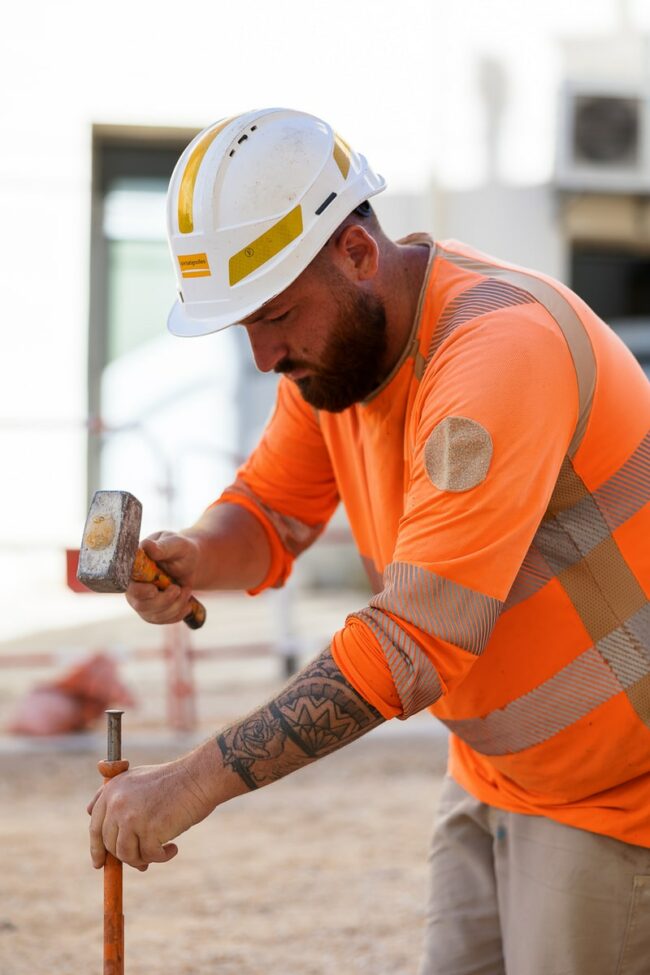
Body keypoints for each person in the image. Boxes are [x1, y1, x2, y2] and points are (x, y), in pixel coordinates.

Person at [87, 108, 650, 974]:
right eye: (243, 325)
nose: (263, 356)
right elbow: (273, 510)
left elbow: (409, 643)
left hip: (619, 791)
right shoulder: (335, 359)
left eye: (273, 315)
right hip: (493, 771)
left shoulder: (494, 352)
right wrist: (198, 551)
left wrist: (189, 784)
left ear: (355, 253)